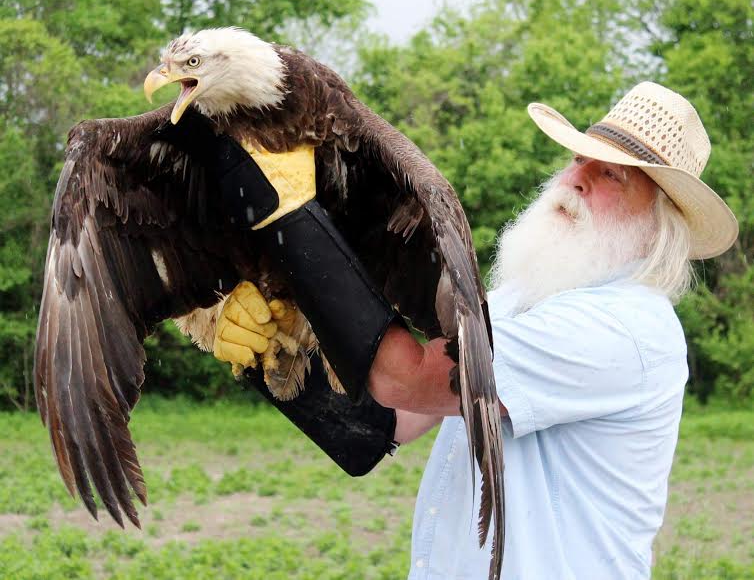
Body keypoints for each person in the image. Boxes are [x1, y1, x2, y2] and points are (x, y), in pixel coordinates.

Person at [162, 81, 737, 579]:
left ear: (657, 222)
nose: (577, 179)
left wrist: (291, 217)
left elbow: (408, 380)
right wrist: (273, 346)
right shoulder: (519, 303)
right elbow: (388, 420)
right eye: (578, 158)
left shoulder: (626, 329)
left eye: (610, 174)